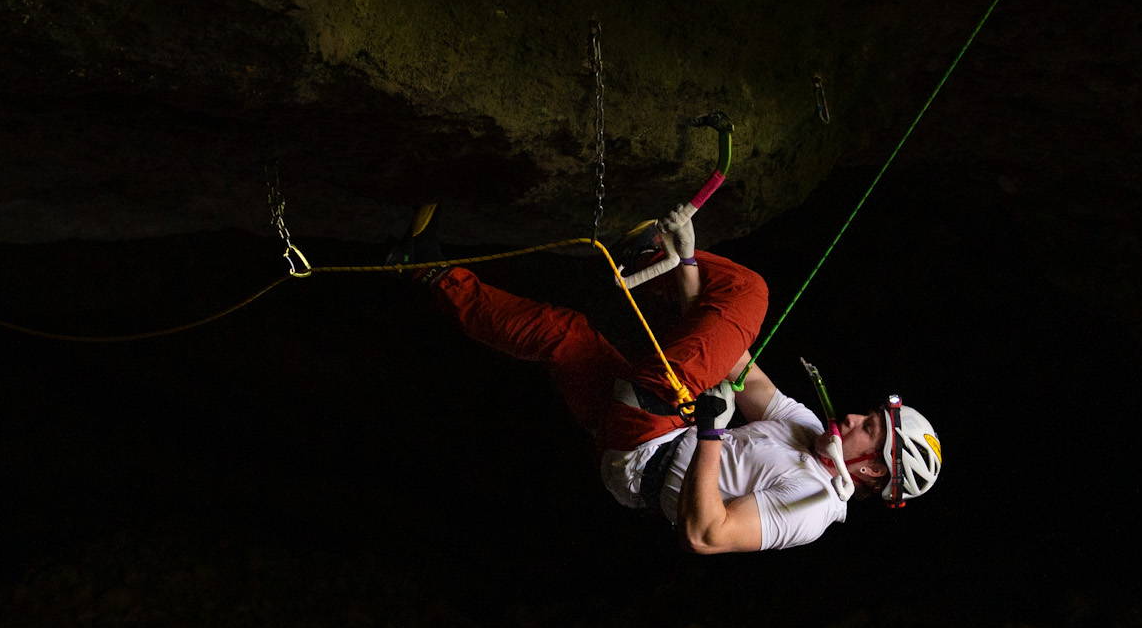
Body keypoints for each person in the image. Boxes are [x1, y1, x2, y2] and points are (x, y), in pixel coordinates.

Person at [395, 205, 941, 554]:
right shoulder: (805, 429)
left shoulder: (814, 507)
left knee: (751, 294)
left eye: (868, 426)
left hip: (650, 447)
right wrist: (686, 265)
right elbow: (727, 357)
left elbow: (707, 536)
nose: (851, 417)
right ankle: (428, 272)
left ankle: (643, 257)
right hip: (646, 430)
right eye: (866, 413)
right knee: (566, 336)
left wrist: (710, 435)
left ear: (871, 466)